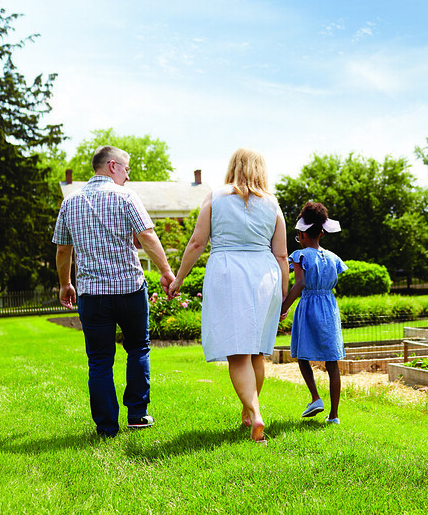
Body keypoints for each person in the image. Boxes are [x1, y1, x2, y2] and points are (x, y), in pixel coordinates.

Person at [168, 147, 289, 445]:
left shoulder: (215, 197)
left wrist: (179, 278)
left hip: (227, 272)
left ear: (233, 166)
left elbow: (197, 242)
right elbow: (282, 255)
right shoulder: (273, 204)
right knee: (258, 350)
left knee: (238, 352)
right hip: (265, 275)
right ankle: (249, 412)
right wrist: (283, 295)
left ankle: (255, 413)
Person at [53, 145, 175, 438]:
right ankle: (136, 414)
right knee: (138, 348)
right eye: (126, 168)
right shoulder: (127, 197)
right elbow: (147, 235)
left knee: (99, 360)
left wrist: (65, 283)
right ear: (112, 166)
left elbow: (62, 250)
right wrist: (166, 272)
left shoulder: (70, 203)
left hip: (92, 295)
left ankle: (106, 427)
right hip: (129, 290)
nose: (128, 176)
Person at [280, 202, 347, 424]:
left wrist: (284, 306)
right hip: (329, 307)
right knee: (332, 361)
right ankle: (334, 415)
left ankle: (316, 397)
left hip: (309, 306)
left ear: (301, 235)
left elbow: (299, 284)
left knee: (301, 355)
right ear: (321, 232)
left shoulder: (300, 256)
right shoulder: (333, 257)